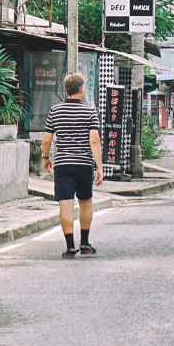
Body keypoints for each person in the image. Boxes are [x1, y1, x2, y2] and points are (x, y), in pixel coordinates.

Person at [43, 72, 104, 258]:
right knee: (85, 202)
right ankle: (85, 245)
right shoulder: (90, 111)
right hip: (84, 163)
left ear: (67, 90)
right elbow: (94, 140)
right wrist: (99, 167)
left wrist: (45, 158)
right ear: (81, 90)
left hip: (62, 164)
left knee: (66, 204)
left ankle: (70, 247)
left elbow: (47, 140)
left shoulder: (55, 111)